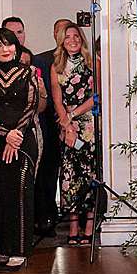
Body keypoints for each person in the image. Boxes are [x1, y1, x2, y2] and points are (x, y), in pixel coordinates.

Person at [0, 29, 40, 268]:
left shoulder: (28, 73)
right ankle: (3, 248)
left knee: (21, 192)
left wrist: (16, 135)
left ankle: (21, 249)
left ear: (16, 47)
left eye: (9, 44)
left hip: (23, 140)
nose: (5, 50)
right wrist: (4, 135)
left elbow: (31, 105)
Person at [52, 23, 100, 246]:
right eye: (68, 37)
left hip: (87, 124)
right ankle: (73, 226)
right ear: (62, 40)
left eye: (76, 36)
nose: (72, 40)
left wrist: (74, 115)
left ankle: (89, 226)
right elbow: (57, 100)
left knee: (88, 174)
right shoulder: (57, 67)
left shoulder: (93, 63)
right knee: (69, 176)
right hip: (66, 126)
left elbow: (96, 96)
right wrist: (66, 125)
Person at [32, 18, 73, 235]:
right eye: (60, 32)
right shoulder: (41, 60)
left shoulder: (83, 59)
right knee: (47, 173)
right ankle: (47, 217)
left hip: (77, 122)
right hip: (48, 122)